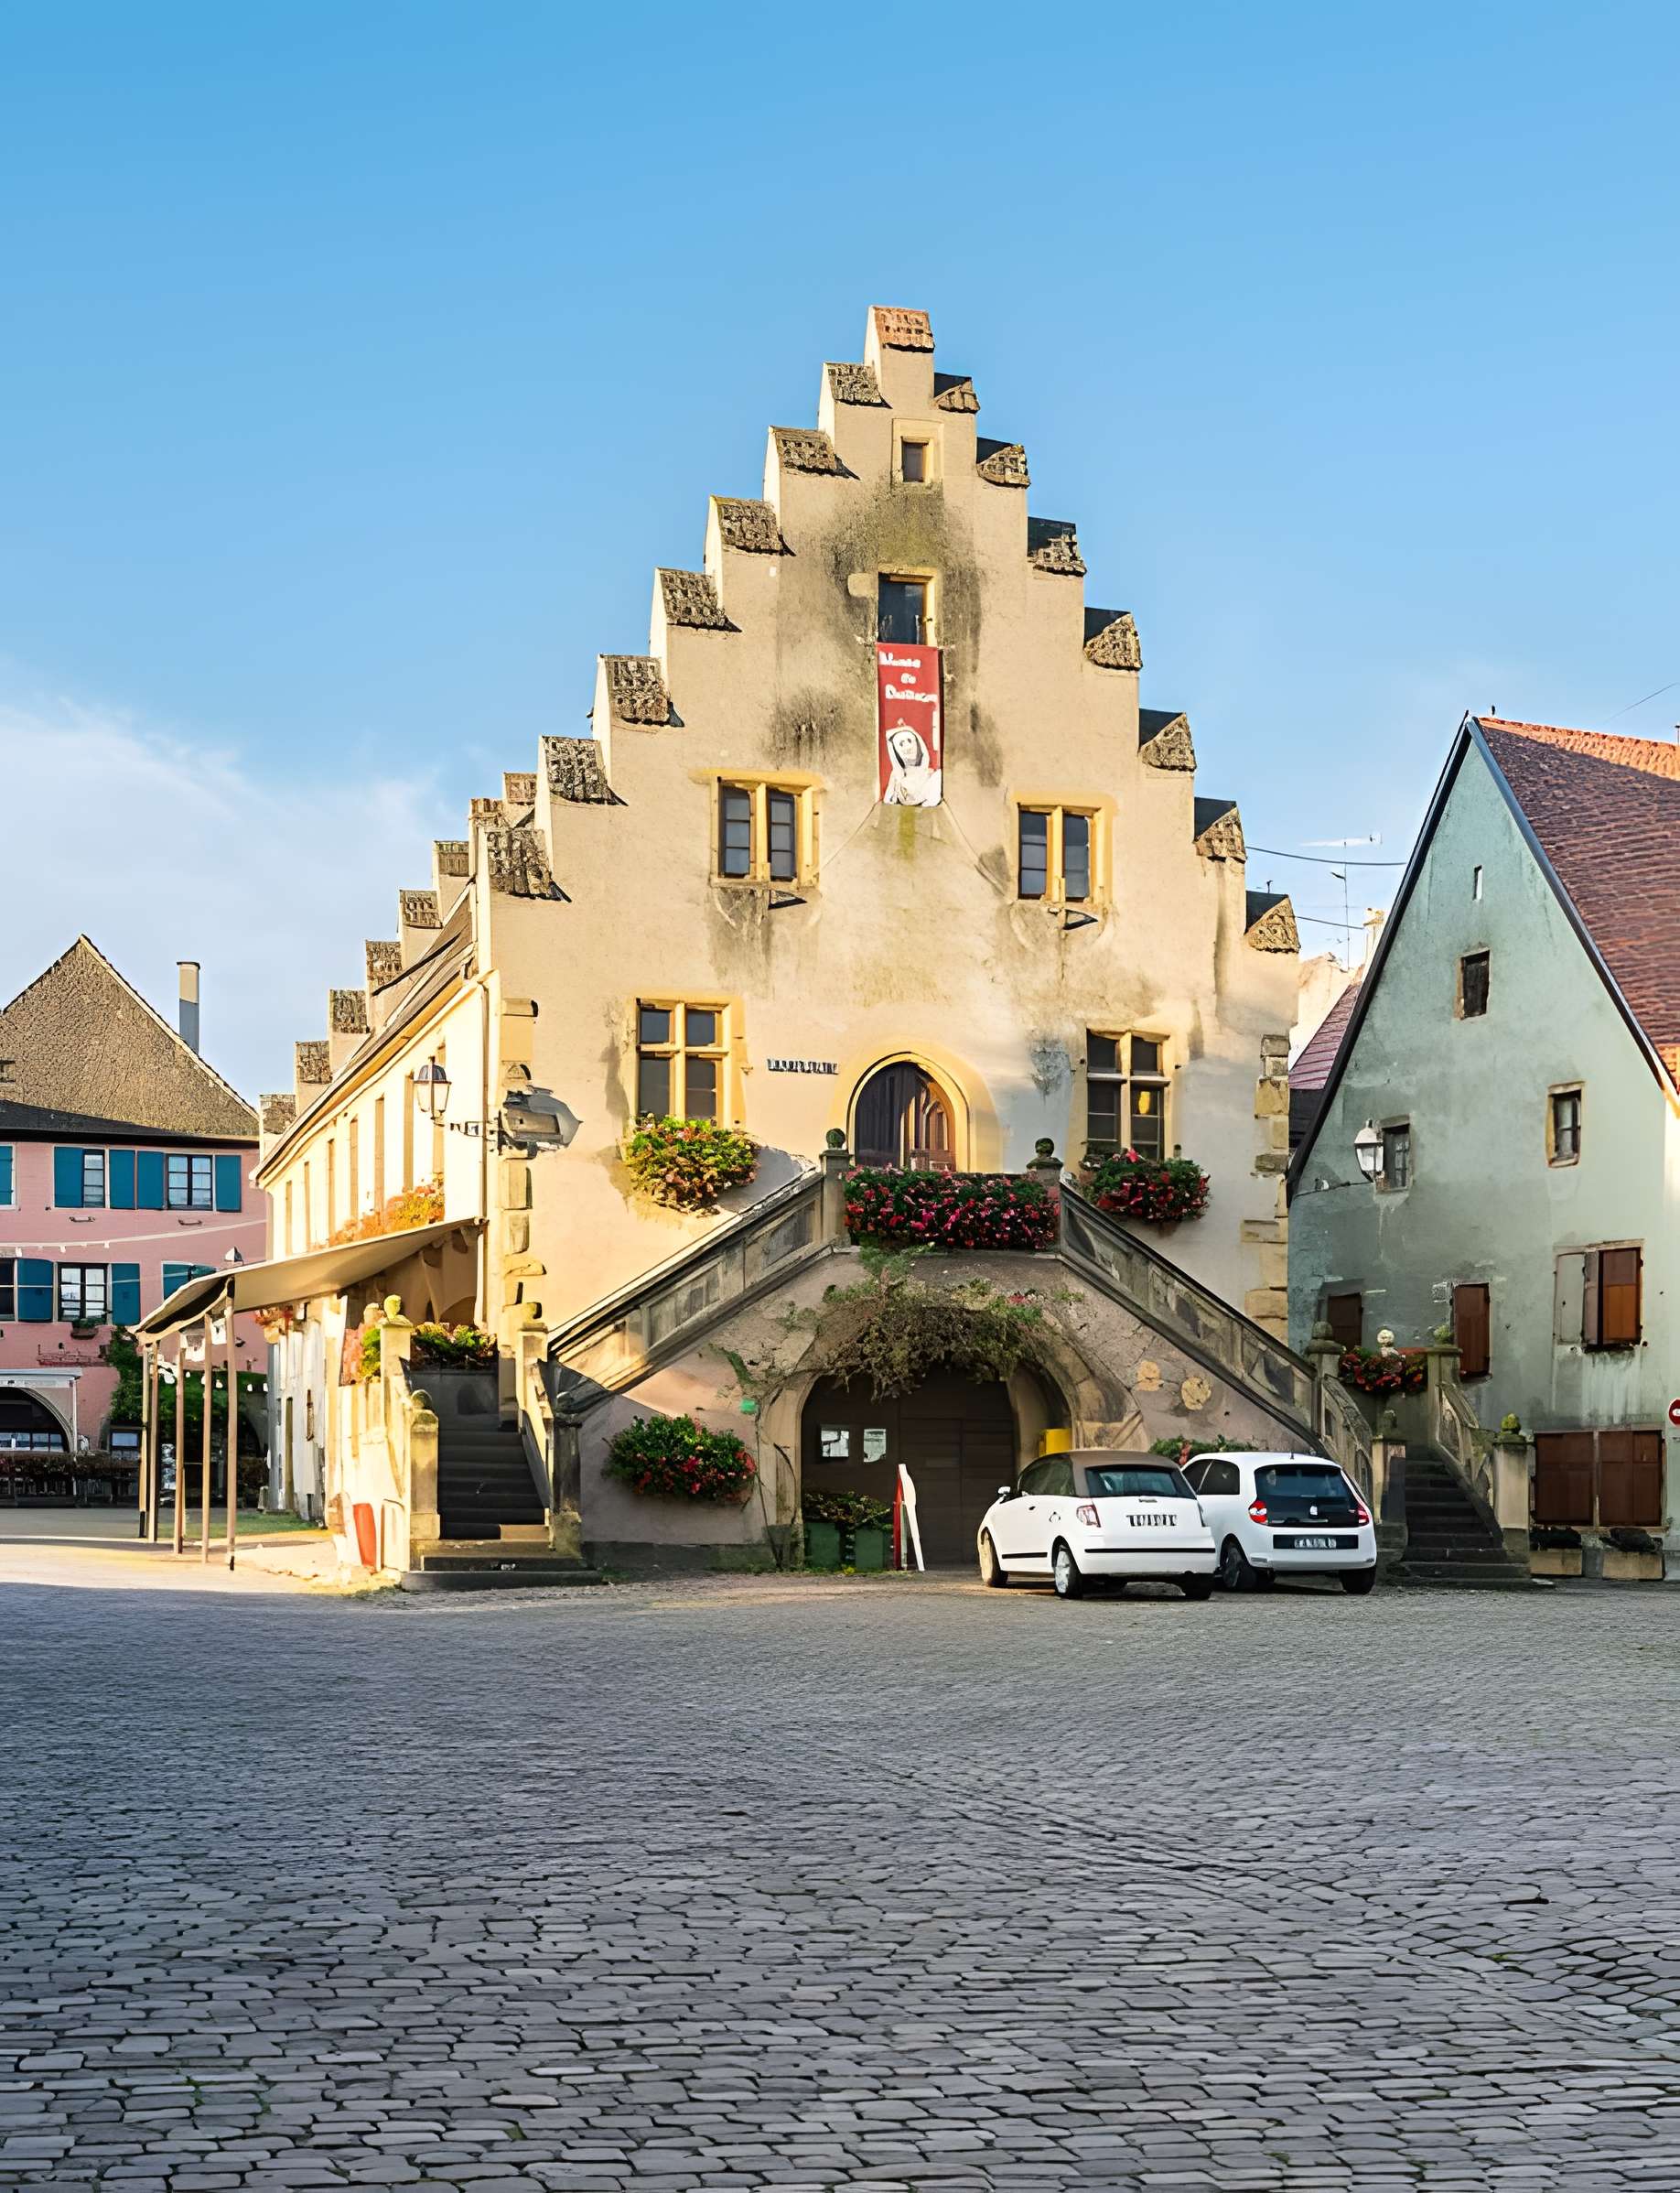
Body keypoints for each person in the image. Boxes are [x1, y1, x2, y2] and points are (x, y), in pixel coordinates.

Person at [881, 722, 942, 807]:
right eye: (901, 744)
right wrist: (889, 799)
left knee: (938, 775)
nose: (908, 747)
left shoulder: (924, 769)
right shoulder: (897, 772)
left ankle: (930, 800)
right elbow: (889, 793)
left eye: (909, 741)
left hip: (920, 794)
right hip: (907, 797)